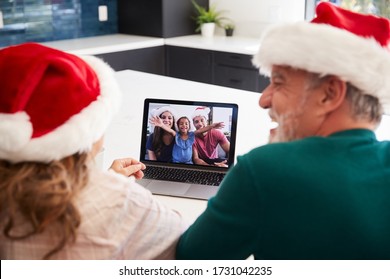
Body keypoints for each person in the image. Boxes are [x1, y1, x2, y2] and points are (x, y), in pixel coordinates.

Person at [176, 2, 390, 260]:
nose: (264, 99)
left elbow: (191, 262)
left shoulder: (264, 169)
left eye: (278, 82)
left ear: (330, 94)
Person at [0, 43, 187, 260]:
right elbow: (189, 246)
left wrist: (108, 178)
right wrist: (109, 185)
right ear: (88, 131)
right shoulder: (121, 201)